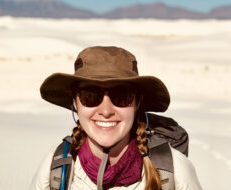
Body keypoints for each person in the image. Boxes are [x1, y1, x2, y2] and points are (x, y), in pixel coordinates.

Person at [30, 46, 202, 190]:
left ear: (137, 102)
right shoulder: (56, 169)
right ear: (75, 102)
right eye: (90, 95)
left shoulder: (174, 171)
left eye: (121, 96)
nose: (106, 111)